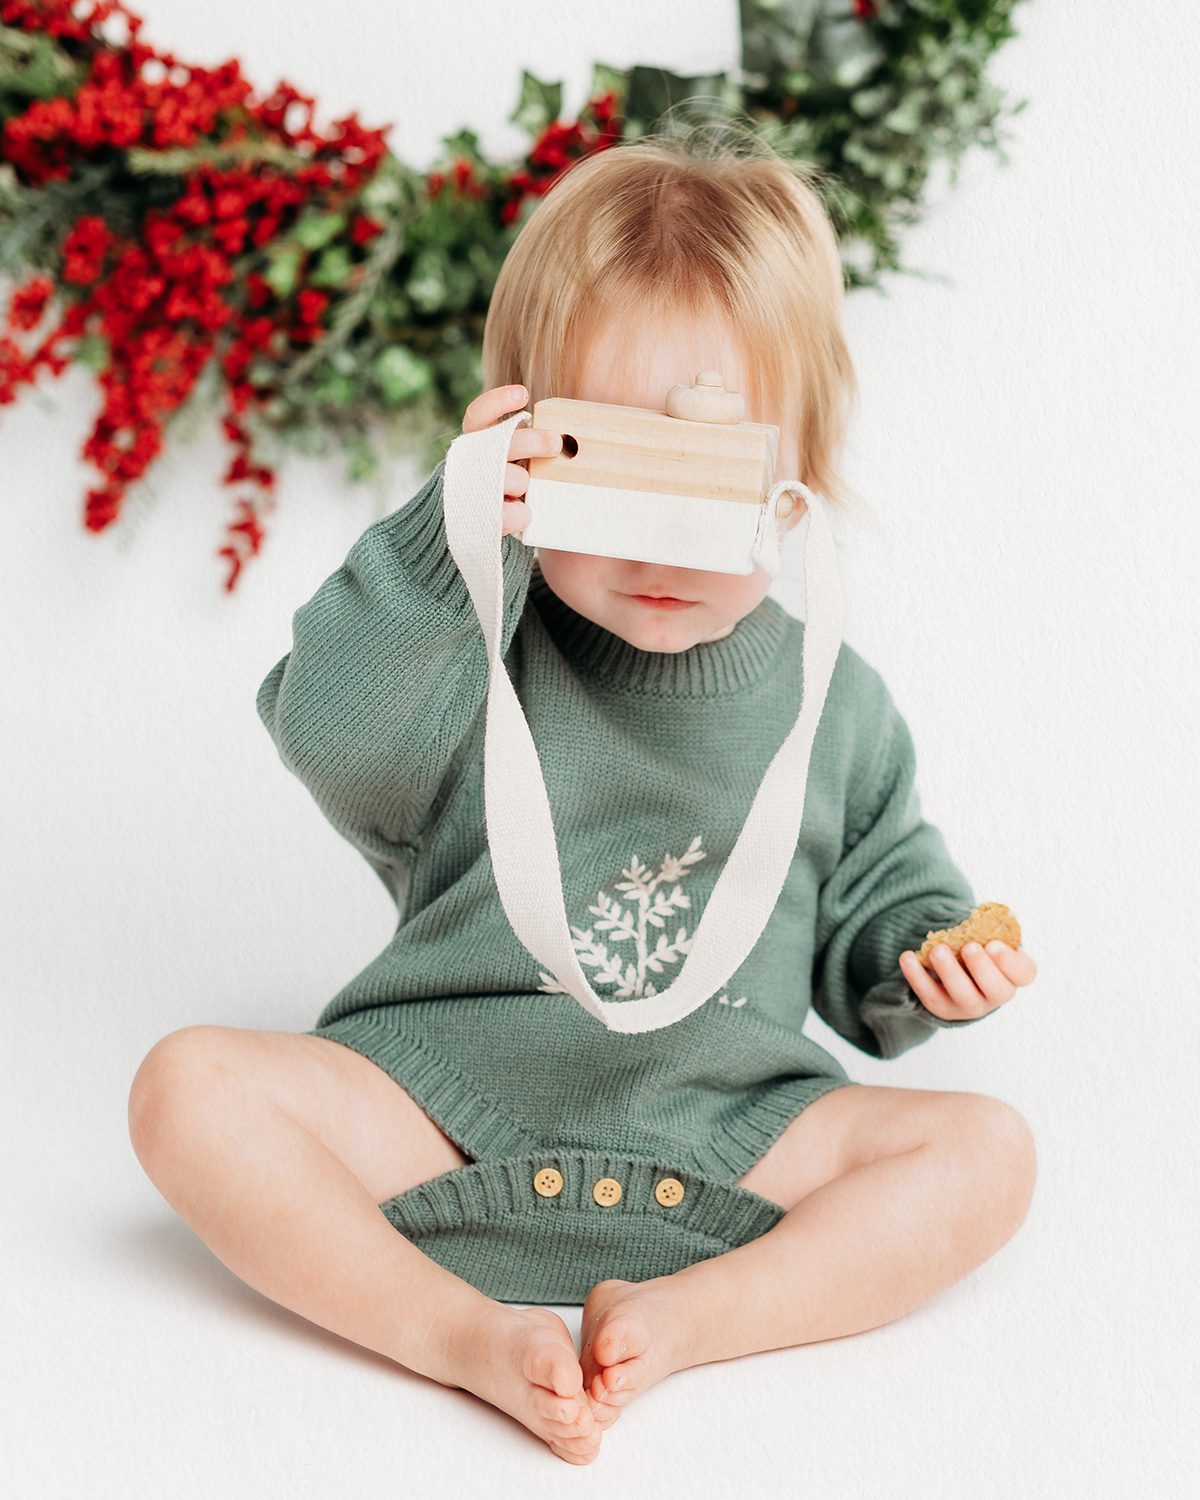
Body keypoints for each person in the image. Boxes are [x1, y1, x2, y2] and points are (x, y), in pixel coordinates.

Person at [126, 125, 1039, 1467]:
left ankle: (694, 1317)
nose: (661, 549)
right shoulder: (468, 648)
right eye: (612, 474)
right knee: (185, 1089)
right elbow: (327, 731)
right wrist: (452, 542)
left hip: (724, 1131)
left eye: (710, 484)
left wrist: (924, 955)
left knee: (989, 1154)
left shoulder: (835, 700)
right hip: (440, 1113)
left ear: (801, 477)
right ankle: (452, 1331)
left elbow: (878, 897)